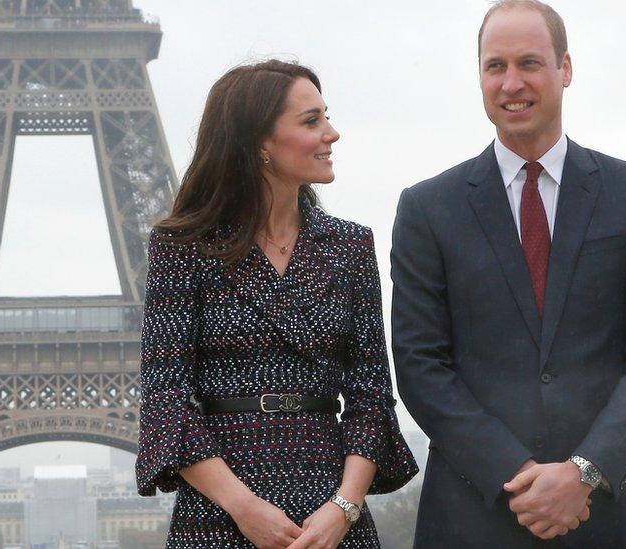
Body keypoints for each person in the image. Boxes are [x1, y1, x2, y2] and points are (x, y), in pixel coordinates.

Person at [389, 1, 626, 547]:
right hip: (476, 514)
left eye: (529, 62)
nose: (511, 82)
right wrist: (517, 473)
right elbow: (419, 363)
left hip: (617, 514)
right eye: (494, 65)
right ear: (478, 74)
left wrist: (584, 472)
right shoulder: (427, 209)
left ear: (566, 69)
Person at [137, 59, 417, 548]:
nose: (332, 133)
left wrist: (343, 508)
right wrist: (245, 509)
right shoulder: (182, 248)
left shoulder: (349, 246)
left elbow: (372, 397)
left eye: (325, 117)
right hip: (221, 509)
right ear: (259, 142)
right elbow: (167, 401)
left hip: (330, 508)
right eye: (311, 121)